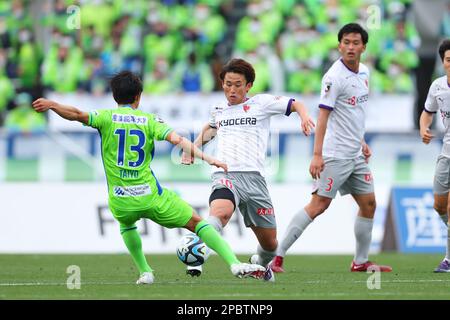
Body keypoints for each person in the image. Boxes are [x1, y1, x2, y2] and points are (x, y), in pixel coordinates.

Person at [32, 71, 265, 285]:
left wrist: (53, 104)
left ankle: (145, 271)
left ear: (114, 96)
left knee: (126, 224)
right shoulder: (149, 120)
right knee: (198, 223)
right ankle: (234, 263)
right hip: (151, 197)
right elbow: (177, 140)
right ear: (138, 96)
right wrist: (207, 158)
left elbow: (75, 115)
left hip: (120, 199)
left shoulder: (104, 117)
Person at [271, 23, 392, 273]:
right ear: (339, 45)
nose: (350, 47)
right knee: (318, 206)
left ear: (363, 47)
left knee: (369, 204)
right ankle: (277, 256)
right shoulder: (333, 78)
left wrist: (361, 141)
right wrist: (317, 155)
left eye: (355, 43)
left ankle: (360, 261)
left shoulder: (365, 73)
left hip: (356, 155)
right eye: (346, 42)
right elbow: (323, 117)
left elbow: (353, 114)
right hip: (335, 155)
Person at [181, 58, 315, 281]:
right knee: (220, 214)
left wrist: (304, 115)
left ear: (249, 85)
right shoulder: (219, 110)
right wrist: (193, 149)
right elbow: (211, 129)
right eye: (227, 84)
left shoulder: (262, 103)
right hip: (225, 175)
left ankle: (259, 264)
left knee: (270, 245)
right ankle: (196, 257)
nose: (231, 90)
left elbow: (295, 103)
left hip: (254, 180)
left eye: (237, 85)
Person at [419, 39, 450, 273]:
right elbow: (427, 113)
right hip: (446, 152)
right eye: (449, 60)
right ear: (443, 62)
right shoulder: (437, 86)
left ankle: (448, 259)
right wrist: (423, 128)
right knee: (439, 206)